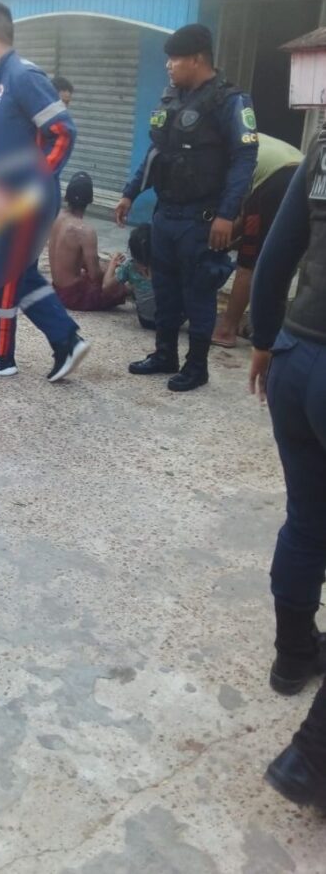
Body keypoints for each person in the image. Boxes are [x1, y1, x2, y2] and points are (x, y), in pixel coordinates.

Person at [248, 134, 326, 810]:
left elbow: (275, 258)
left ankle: (294, 653)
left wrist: (264, 340)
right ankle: (314, 758)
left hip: (297, 359)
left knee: (306, 521)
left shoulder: (324, 143)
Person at [116, 24, 257, 392]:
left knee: (199, 292)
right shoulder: (172, 98)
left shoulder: (230, 101)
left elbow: (244, 159)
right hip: (166, 212)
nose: (168, 65)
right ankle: (165, 355)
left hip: (202, 217)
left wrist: (227, 214)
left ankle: (197, 367)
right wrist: (131, 193)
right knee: (165, 288)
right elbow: (155, 152)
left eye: (174, 59)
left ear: (196, 59)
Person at [0, 1, 89, 382]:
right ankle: (59, 342)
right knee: (7, 272)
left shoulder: (24, 77)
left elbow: (62, 133)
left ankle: (5, 355)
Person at [212, 133, 303, 348]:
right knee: (283, 260)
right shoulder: (247, 135)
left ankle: (226, 330)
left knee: (248, 262)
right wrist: (222, 242)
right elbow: (246, 215)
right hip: (306, 176)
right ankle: (266, 329)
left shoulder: (217, 144)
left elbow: (243, 210)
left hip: (276, 182)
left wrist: (217, 242)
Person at [49, 171, 128, 312]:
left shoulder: (56, 216)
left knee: (104, 269)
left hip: (57, 290)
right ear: (90, 200)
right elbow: (95, 276)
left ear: (66, 196)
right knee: (118, 286)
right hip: (74, 297)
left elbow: (70, 258)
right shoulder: (85, 231)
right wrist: (112, 264)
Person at [111, 224, 158, 329]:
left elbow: (106, 286)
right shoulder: (166, 263)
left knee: (134, 284)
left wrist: (113, 263)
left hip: (146, 321)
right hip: (171, 322)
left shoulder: (129, 266)